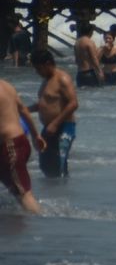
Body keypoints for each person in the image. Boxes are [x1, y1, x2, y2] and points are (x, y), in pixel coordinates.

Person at [29, 49, 79, 179]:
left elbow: (73, 103)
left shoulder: (62, 79)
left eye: (39, 68)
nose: (37, 72)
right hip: (48, 128)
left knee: (59, 165)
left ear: (48, 64)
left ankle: (64, 196)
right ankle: (52, 195)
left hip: (64, 127)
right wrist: (23, 109)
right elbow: (43, 105)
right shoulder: (45, 80)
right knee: (46, 166)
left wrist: (55, 124)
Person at [0, 77, 45, 213]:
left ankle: (45, 224)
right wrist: (35, 135)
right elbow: (23, 110)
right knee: (16, 191)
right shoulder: (6, 85)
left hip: (10, 147)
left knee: (24, 194)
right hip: (19, 142)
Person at [73, 23, 102, 88]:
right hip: (89, 73)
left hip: (80, 74)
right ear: (90, 31)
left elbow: (76, 60)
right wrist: (100, 71)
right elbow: (94, 58)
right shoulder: (89, 42)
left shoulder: (77, 42)